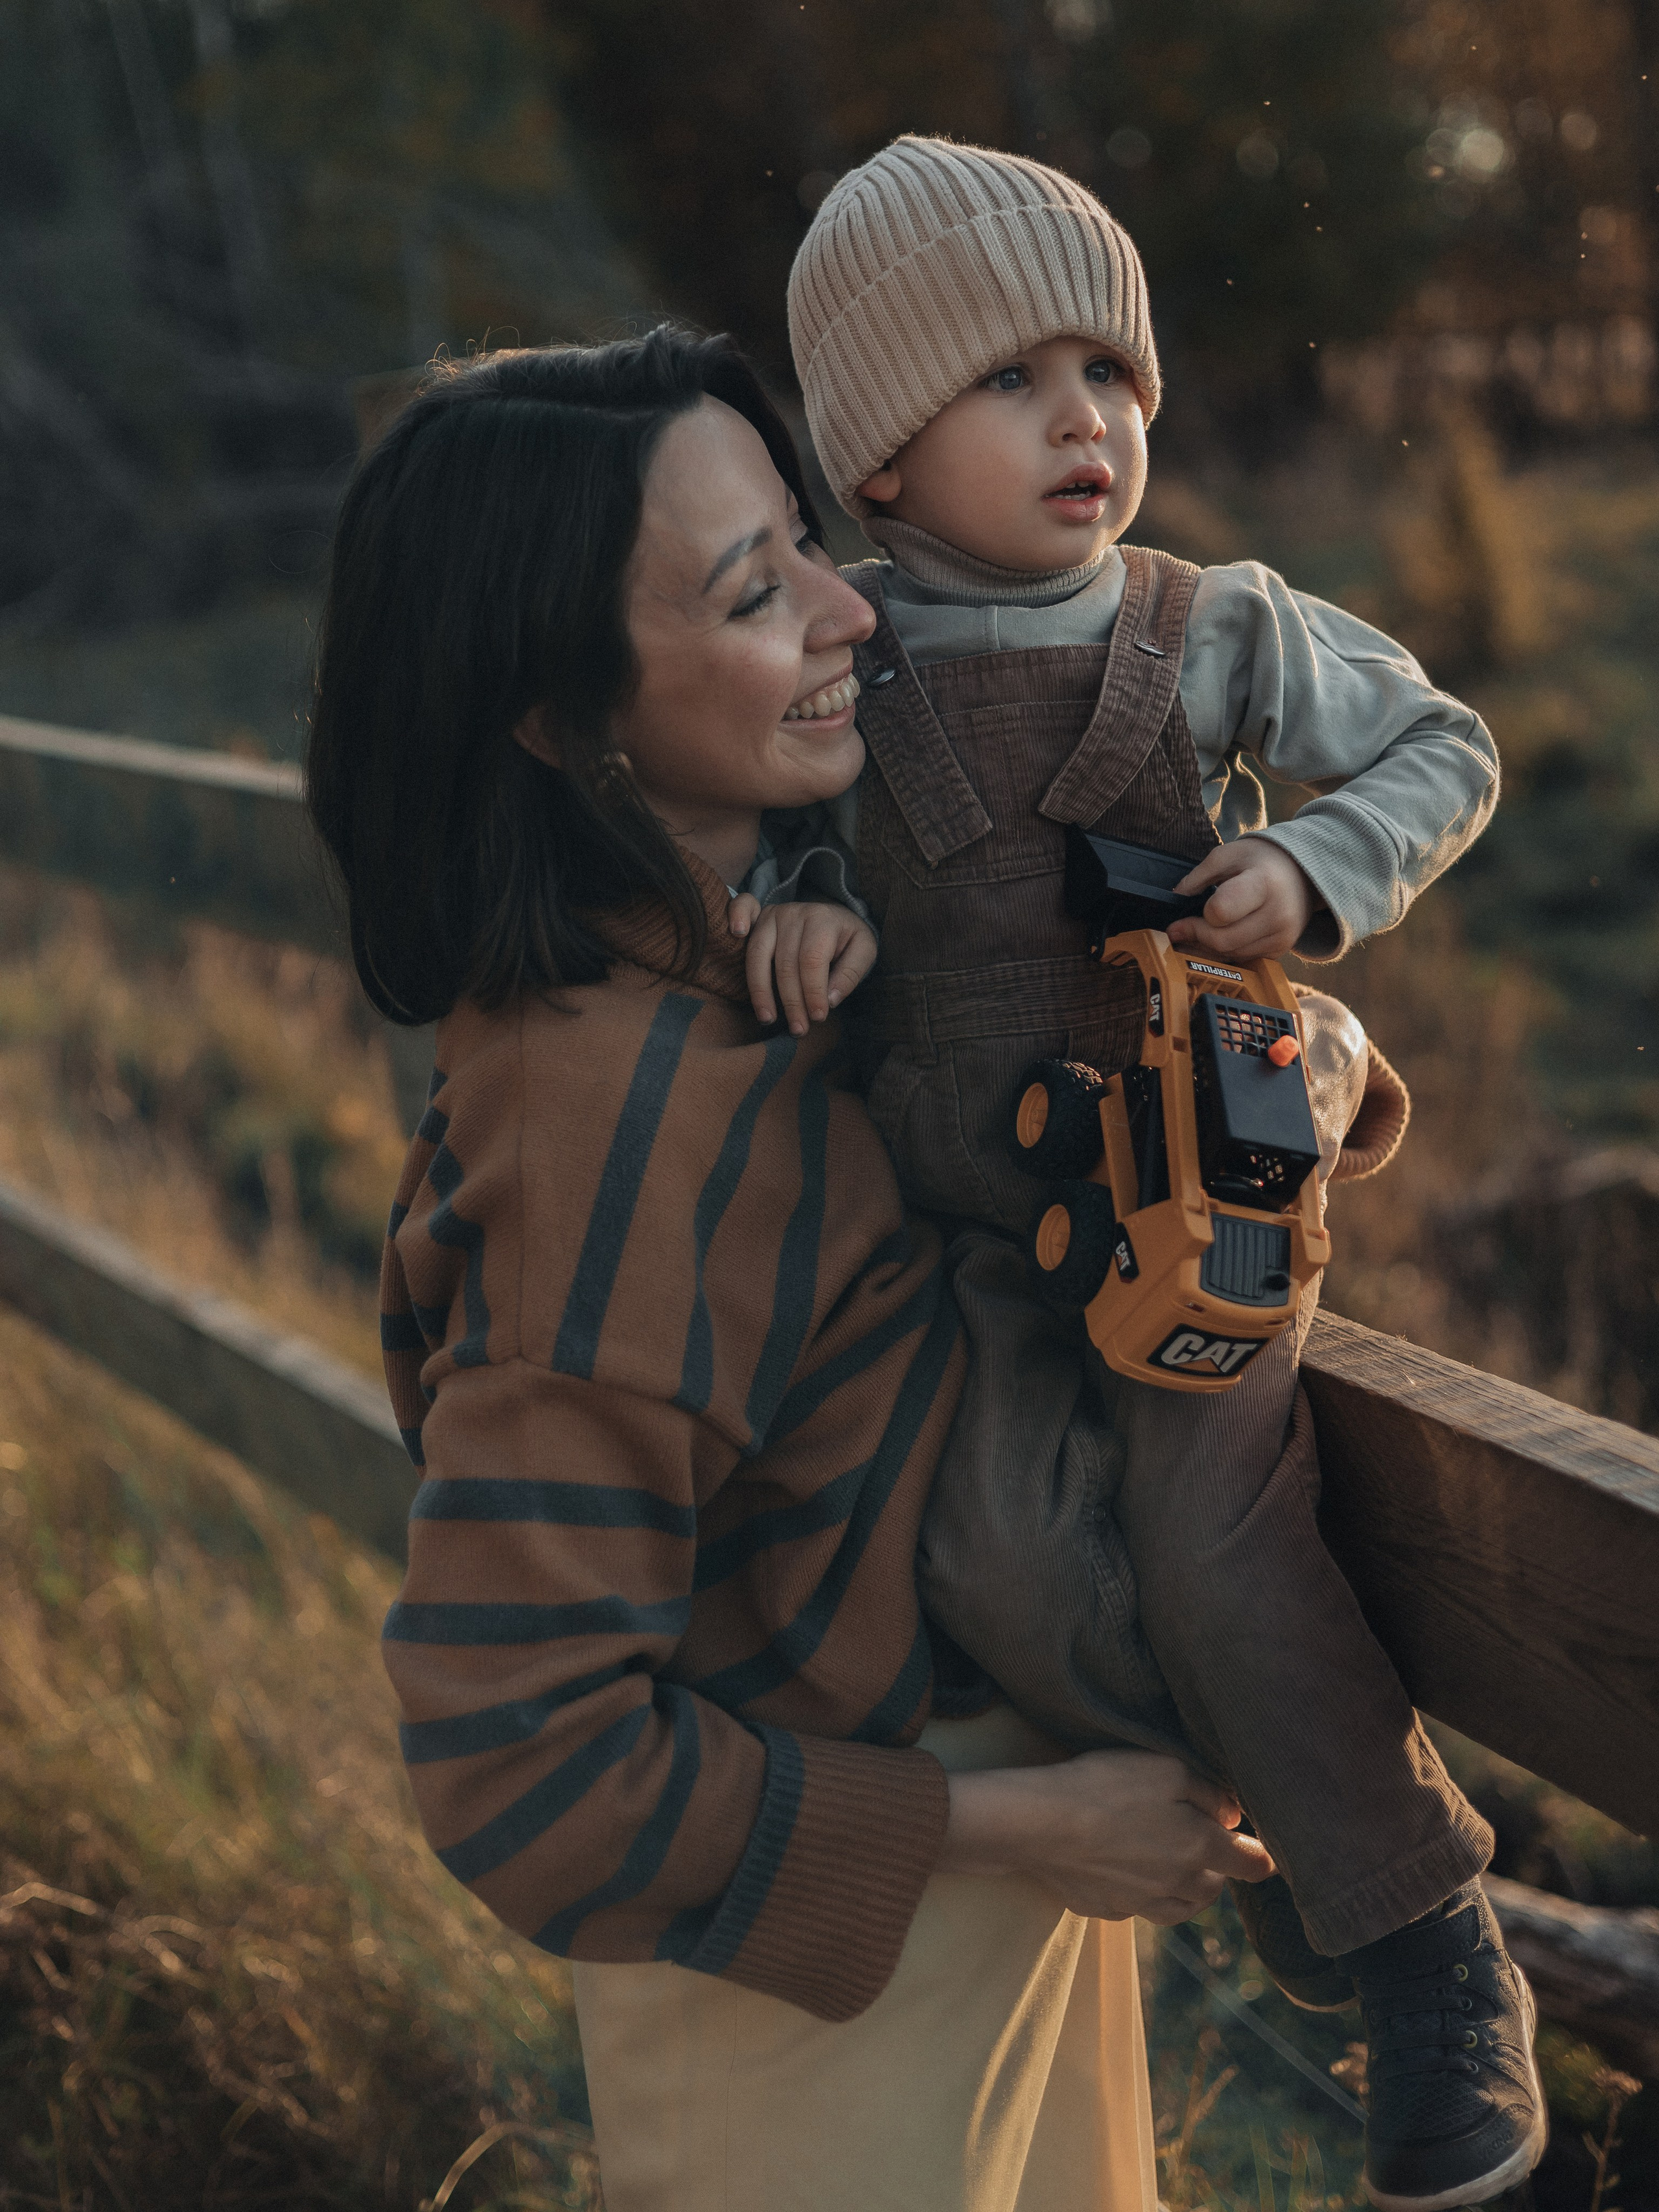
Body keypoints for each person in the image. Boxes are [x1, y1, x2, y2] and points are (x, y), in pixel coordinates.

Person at [304, 327, 1273, 2212]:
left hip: (964, 1929)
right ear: (558, 716)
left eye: (811, 542)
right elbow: (521, 1765)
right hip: (831, 2027)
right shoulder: (616, 1116)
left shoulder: (762, 969)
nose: (853, 611)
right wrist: (1028, 1824)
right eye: (757, 593)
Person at [768, 136, 1545, 2212]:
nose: (1085, 420)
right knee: (995, 1560)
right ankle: (1291, 1827)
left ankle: (1425, 1939)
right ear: (878, 453)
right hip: (967, 1238)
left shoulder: (1206, 630)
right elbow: (756, 837)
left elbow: (1447, 747)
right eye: (1012, 380)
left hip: (1199, 1199)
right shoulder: (835, 658)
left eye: (1109, 372)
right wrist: (795, 919)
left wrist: (1315, 862)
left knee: (1219, 1547)